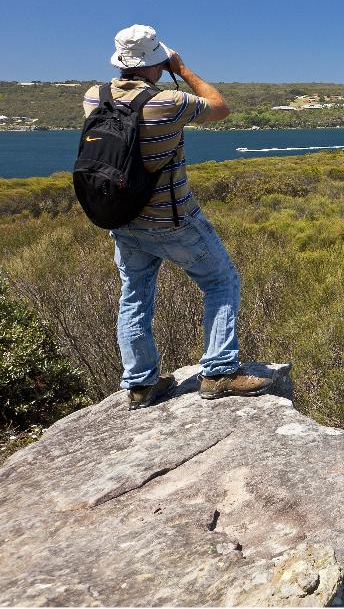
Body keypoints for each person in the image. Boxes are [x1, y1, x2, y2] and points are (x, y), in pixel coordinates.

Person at [85, 24, 273, 410]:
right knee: (221, 281)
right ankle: (219, 371)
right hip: (173, 219)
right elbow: (220, 107)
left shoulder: (94, 97)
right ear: (157, 59)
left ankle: (140, 383)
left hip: (122, 219)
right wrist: (182, 69)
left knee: (134, 294)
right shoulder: (169, 101)